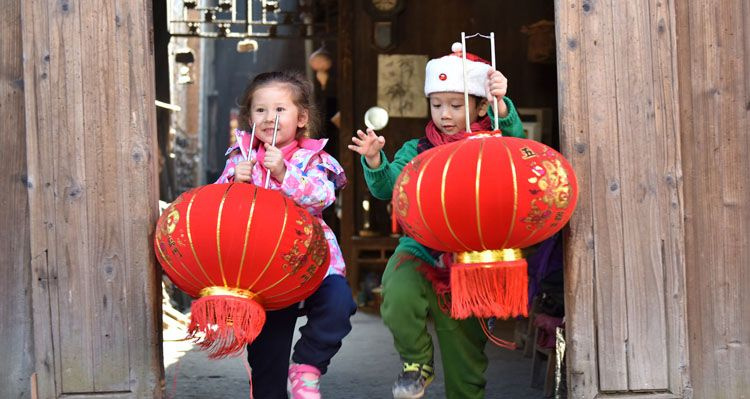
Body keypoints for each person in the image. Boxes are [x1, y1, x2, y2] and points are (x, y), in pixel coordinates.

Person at [348, 43, 525, 399]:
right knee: (396, 293)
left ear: (477, 106)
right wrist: (374, 160)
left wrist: (501, 105)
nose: (445, 114)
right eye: (437, 104)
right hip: (422, 246)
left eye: (456, 105)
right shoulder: (416, 149)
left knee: (466, 360)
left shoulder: (493, 142)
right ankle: (416, 363)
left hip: (473, 258)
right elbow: (389, 189)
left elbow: (518, 146)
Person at [216, 71, 357, 399]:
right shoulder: (239, 159)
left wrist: (283, 172)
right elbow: (216, 211)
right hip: (262, 269)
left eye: (280, 110)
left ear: (302, 117)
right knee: (267, 359)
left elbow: (323, 197)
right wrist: (232, 185)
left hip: (312, 259)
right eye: (260, 110)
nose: (269, 118)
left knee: (338, 303)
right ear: (249, 117)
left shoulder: (314, 158)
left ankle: (307, 367)